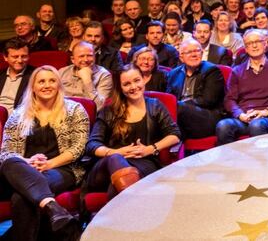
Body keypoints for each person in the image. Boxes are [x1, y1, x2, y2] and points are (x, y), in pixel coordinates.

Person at [0, 65, 89, 239]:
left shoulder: (75, 110)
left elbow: (79, 147)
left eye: (52, 81)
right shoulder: (18, 115)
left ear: (59, 85)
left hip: (63, 169)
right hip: (25, 168)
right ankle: (52, 207)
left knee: (21, 197)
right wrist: (27, 162)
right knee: (10, 162)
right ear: (33, 86)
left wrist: (49, 163)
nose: (46, 85)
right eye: (41, 81)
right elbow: (6, 153)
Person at [84, 64, 180, 199]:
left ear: (144, 80)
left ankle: (122, 217)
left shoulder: (155, 106)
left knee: (117, 186)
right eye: (127, 84)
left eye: (137, 80)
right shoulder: (109, 111)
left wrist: (150, 149)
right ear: (120, 88)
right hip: (106, 166)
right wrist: (115, 152)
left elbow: (174, 134)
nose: (133, 87)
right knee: (116, 160)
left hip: (144, 163)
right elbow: (92, 144)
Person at [216, 29, 268, 144]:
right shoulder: (237, 71)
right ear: (245, 49)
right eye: (249, 44)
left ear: (265, 44)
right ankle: (231, 161)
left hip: (265, 117)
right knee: (223, 126)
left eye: (257, 42)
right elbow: (229, 99)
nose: (254, 46)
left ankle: (261, 161)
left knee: (256, 126)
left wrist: (266, 112)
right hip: (244, 117)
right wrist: (240, 114)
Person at [166, 39, 225, 139]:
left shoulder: (212, 71)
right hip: (181, 118)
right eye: (189, 52)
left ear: (202, 53)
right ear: (181, 57)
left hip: (206, 118)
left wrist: (182, 105)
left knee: (178, 107)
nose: (194, 55)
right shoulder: (173, 74)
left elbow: (208, 100)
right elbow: (169, 98)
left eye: (197, 51)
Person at [58, 41, 113, 106]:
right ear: (73, 59)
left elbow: (99, 106)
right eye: (81, 56)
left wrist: (87, 81)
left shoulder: (104, 75)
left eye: (89, 55)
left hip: (88, 114)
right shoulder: (62, 72)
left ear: (95, 57)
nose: (86, 59)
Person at [0, 38, 33, 112]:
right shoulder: (0, 75)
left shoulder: (36, 75)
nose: (20, 60)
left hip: (19, 118)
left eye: (24, 56)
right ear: (5, 57)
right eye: (15, 57)